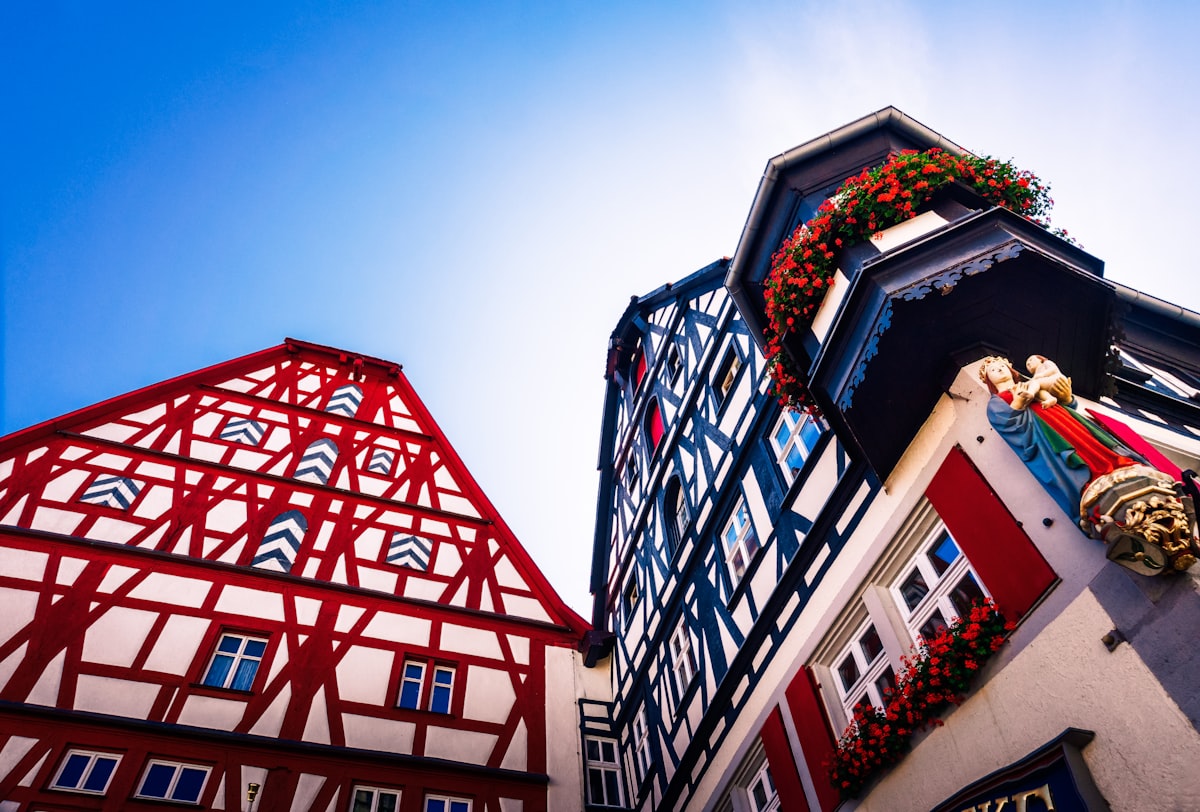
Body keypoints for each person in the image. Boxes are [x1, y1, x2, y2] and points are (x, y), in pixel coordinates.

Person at [979, 356, 1140, 521]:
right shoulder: (995, 403)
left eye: (1002, 366)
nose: (999, 369)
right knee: (1066, 457)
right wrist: (1018, 403)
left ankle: (1115, 465)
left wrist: (1067, 398)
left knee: (1084, 440)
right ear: (988, 380)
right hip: (1043, 432)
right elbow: (1006, 424)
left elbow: (1062, 400)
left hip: (1061, 416)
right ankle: (1089, 484)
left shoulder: (1031, 382)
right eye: (992, 369)